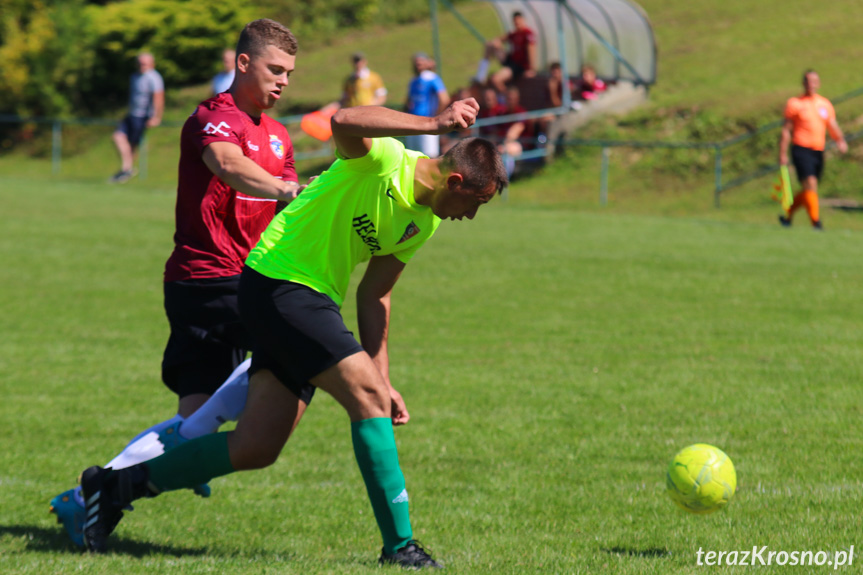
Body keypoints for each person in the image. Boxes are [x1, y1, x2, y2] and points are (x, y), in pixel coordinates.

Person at [78, 99, 508, 569]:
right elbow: (342, 120)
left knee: (256, 447)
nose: (471, 216)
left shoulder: (421, 224)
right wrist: (432, 122)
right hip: (279, 281)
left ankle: (115, 486)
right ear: (456, 181)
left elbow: (374, 297)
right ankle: (399, 546)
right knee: (363, 398)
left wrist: (383, 378)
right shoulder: (384, 160)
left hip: (312, 300)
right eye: (476, 204)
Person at [49, 18, 302, 547]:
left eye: (289, 74)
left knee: (195, 419)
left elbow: (288, 204)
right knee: (299, 348)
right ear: (243, 63)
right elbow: (229, 166)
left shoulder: (278, 135)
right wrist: (283, 189)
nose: (282, 82)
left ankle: (86, 499)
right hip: (209, 278)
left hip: (242, 277)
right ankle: (151, 475)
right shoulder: (213, 118)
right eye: (274, 70)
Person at [778, 69, 848, 229]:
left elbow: (832, 125)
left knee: (809, 189)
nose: (812, 84)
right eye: (809, 81)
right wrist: (782, 153)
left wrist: (840, 140)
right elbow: (786, 130)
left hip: (818, 150)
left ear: (818, 83)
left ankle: (787, 216)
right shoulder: (795, 103)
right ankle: (816, 222)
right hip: (801, 148)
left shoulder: (824, 104)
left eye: (814, 81)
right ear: (804, 83)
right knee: (811, 183)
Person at [110, 52, 165, 183]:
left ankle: (126, 170)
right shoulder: (134, 76)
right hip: (132, 114)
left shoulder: (154, 78)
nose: (142, 66)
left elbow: (158, 98)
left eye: (145, 63)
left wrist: (156, 116)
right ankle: (127, 169)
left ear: (152, 64)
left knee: (132, 145)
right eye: (140, 63)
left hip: (142, 116)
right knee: (118, 137)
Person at [404, 52, 450, 158]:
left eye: (420, 62)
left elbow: (444, 99)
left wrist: (437, 116)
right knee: (412, 156)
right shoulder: (413, 81)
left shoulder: (432, 78)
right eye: (416, 62)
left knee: (429, 156)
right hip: (412, 122)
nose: (418, 64)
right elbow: (409, 100)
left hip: (427, 122)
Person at [484, 11, 538, 94]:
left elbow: (531, 50)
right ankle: (481, 75)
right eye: (515, 22)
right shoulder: (514, 34)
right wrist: (498, 43)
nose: (516, 23)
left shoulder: (527, 33)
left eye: (518, 21)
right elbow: (500, 39)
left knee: (496, 79)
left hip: (518, 66)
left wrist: (531, 70)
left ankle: (508, 98)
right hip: (511, 61)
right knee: (490, 44)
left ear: (523, 20)